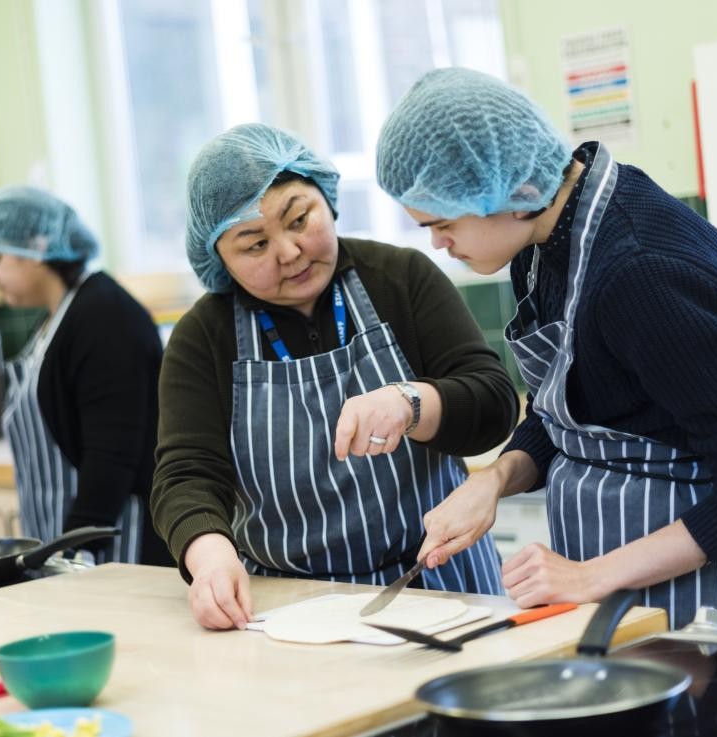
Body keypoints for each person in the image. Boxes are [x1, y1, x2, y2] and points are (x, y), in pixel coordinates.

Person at [375, 67, 717, 630]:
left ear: (513, 191)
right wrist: (492, 481)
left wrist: (591, 577)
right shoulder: (541, 239)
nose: (438, 244)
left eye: (442, 223)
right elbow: (566, 411)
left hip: (690, 609)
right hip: (603, 593)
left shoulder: (641, 275)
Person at [152, 123, 520, 630]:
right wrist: (210, 556)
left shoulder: (401, 279)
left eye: (299, 219)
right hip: (290, 605)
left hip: (440, 587)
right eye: (254, 245)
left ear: (326, 198)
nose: (289, 251)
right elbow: (187, 474)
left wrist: (411, 403)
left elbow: (493, 401)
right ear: (220, 260)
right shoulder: (203, 336)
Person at [0, 185, 171, 566]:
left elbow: (113, 452)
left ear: (37, 246)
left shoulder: (105, 315)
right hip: (66, 540)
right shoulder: (61, 316)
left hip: (113, 545)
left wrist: (76, 549)